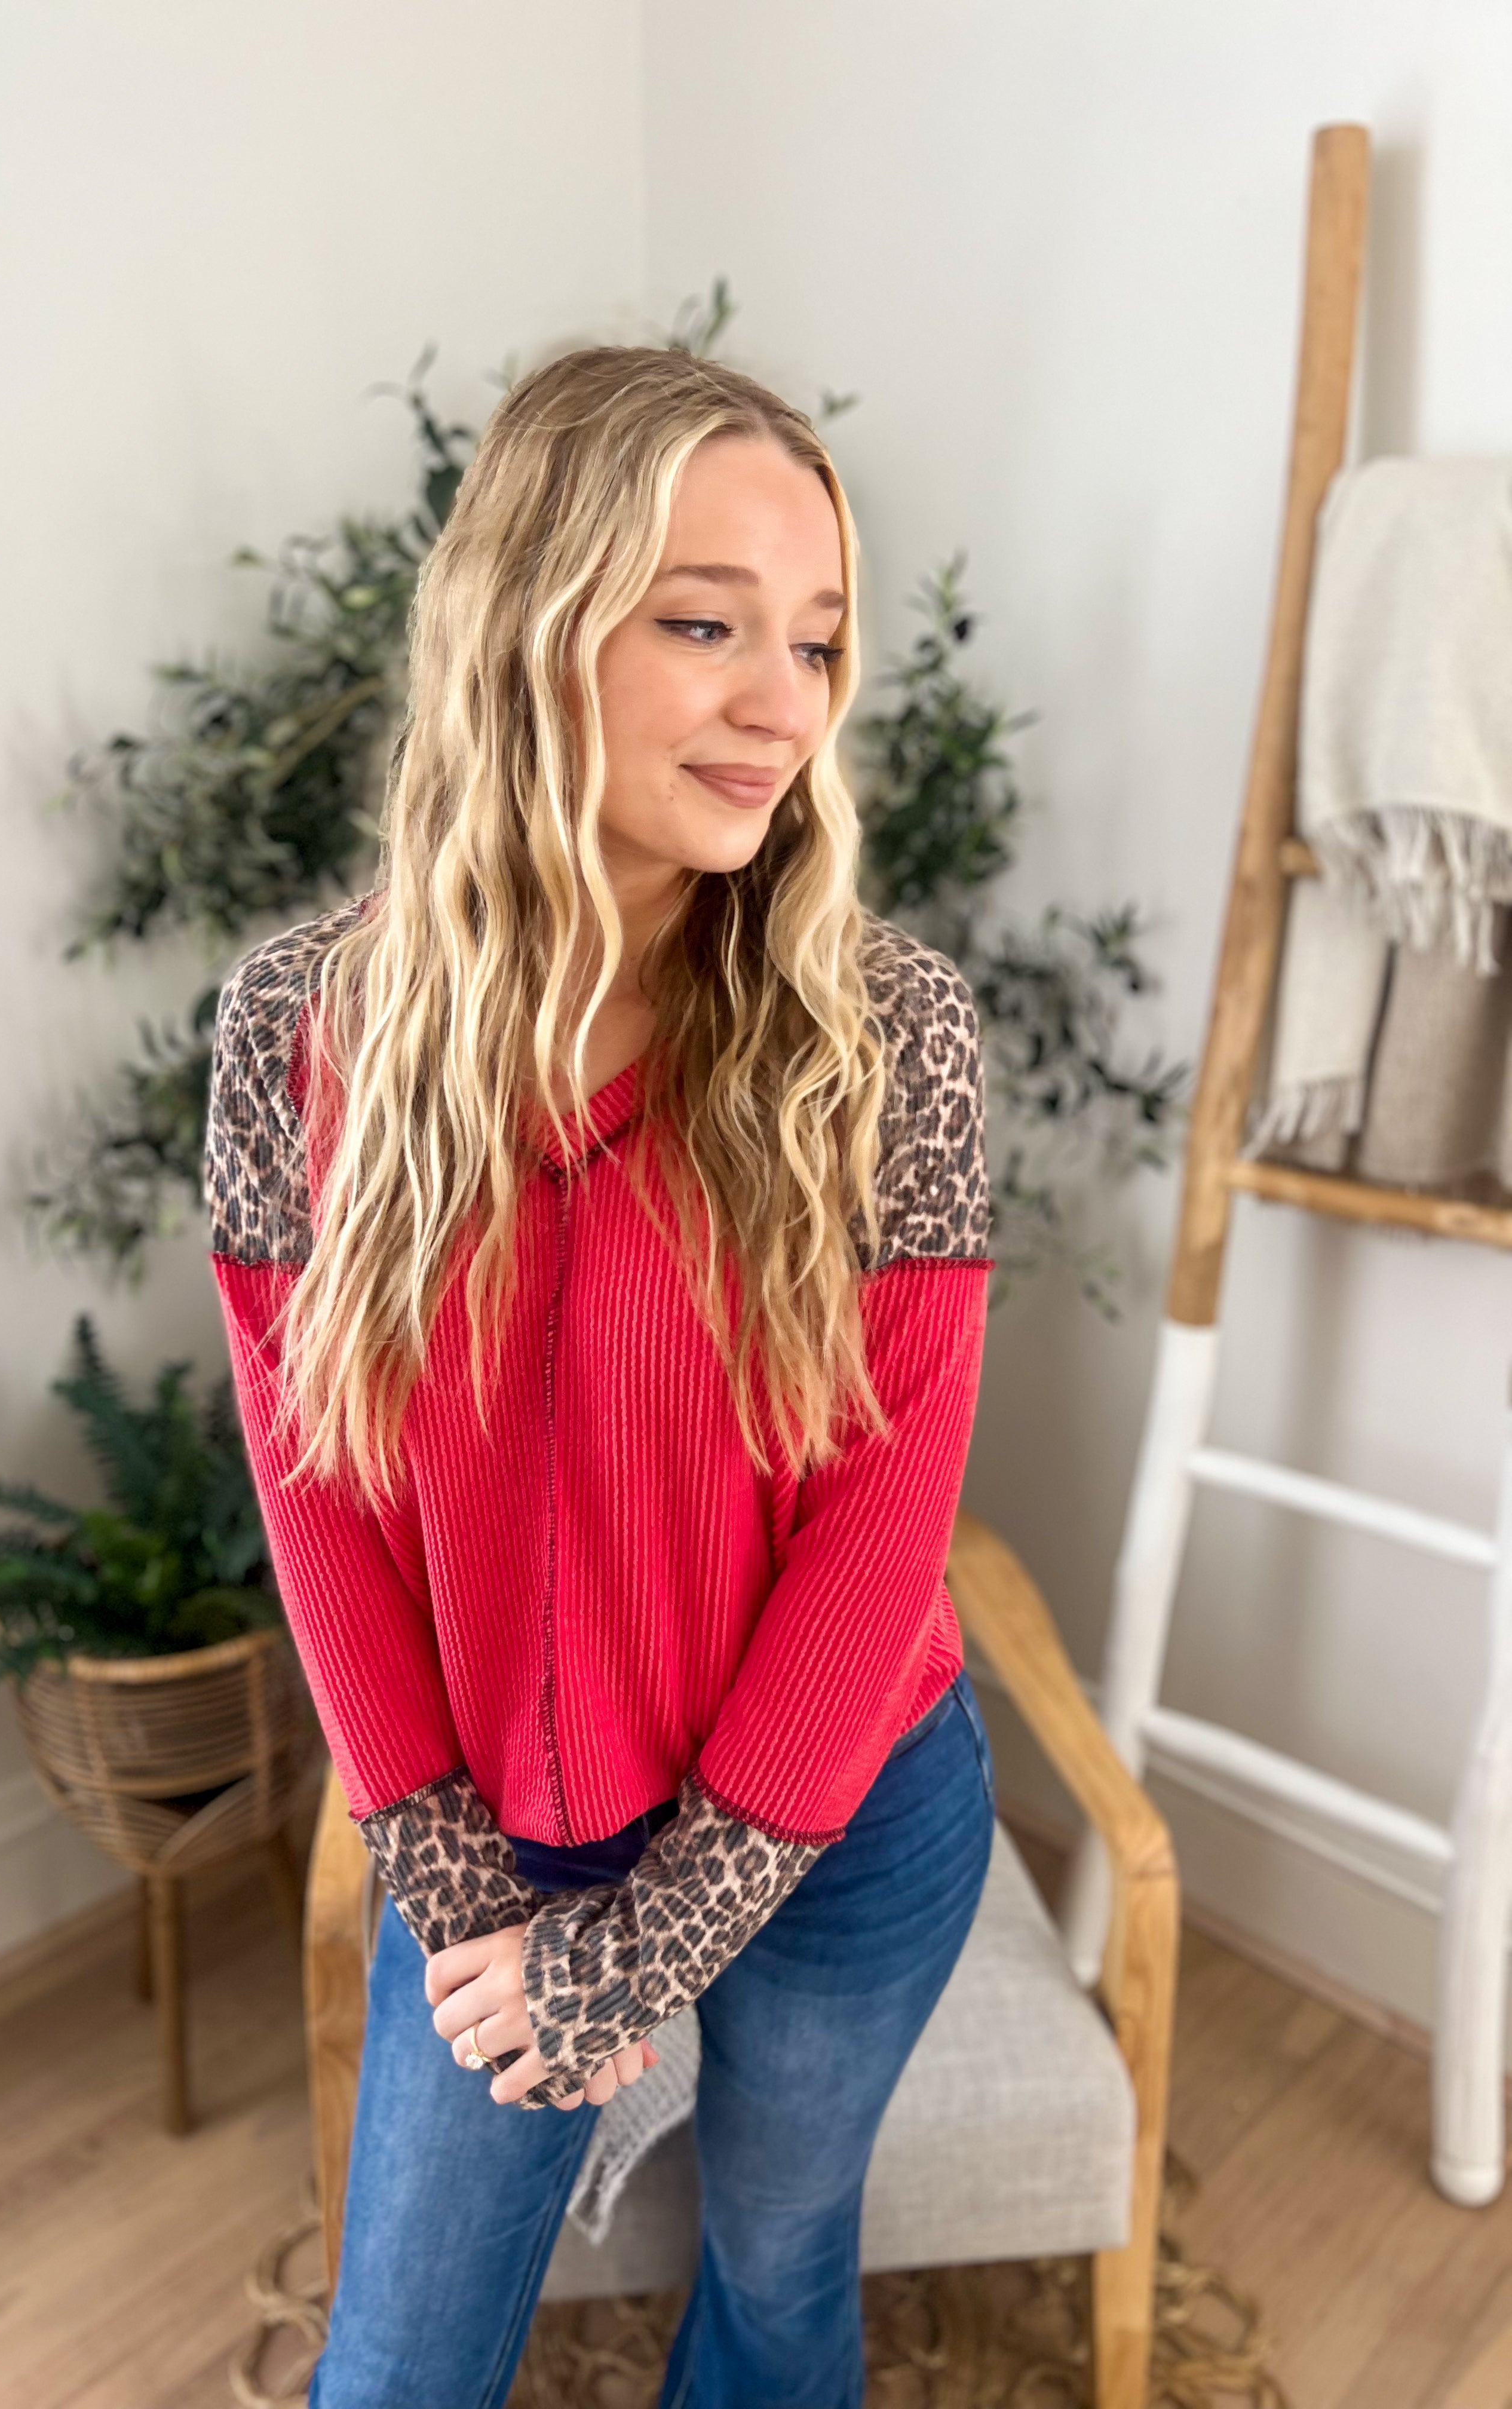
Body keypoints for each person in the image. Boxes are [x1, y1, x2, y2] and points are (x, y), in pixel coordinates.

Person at [204, 342, 997, 2409]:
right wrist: (473, 1890)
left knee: (781, 2271)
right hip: (495, 1832)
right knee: (392, 2371)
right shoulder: (294, 1029)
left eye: (817, 641)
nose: (785, 710)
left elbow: (881, 1531)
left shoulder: (888, 1037)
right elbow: (319, 1489)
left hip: (835, 1820)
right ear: (530, 623)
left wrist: (646, 1949)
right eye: (708, 625)